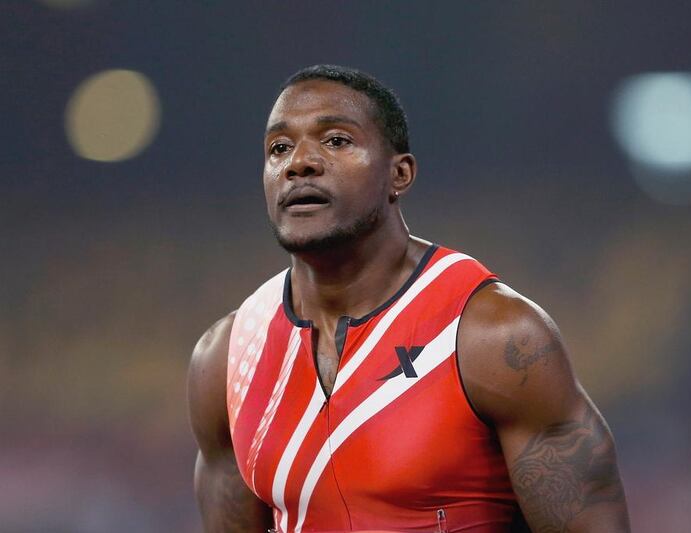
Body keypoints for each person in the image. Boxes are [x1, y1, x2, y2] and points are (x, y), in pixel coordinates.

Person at [188, 64, 630, 533]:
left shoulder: (494, 339)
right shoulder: (227, 360)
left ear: (399, 174)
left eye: (336, 141)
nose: (299, 162)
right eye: (279, 148)